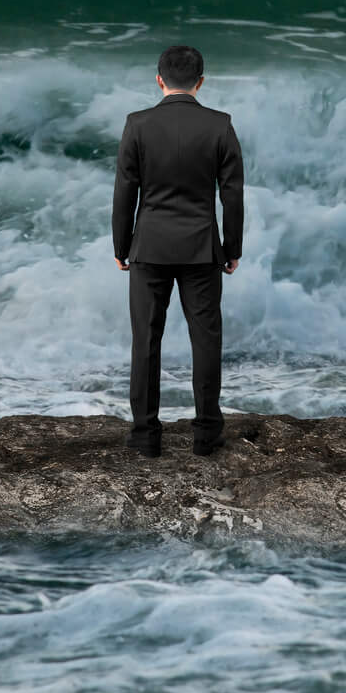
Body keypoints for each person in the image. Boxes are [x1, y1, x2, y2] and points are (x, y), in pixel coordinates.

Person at [111, 44, 244, 457]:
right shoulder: (220, 125)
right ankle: (206, 435)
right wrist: (231, 248)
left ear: (159, 78)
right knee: (205, 340)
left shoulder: (138, 124)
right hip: (202, 249)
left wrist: (122, 245)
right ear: (201, 82)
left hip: (148, 246)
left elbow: (124, 193)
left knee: (145, 340)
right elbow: (233, 196)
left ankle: (145, 436)